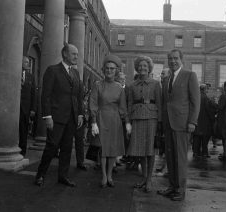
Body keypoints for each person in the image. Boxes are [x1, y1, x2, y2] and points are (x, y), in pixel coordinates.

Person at [34, 43, 83, 187]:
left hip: (72, 118)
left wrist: (80, 114)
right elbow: (46, 95)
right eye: (74, 54)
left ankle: (63, 176)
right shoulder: (53, 70)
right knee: (51, 147)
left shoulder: (75, 73)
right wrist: (47, 116)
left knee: (67, 148)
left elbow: (78, 97)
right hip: (56, 118)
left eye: (77, 54)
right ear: (65, 54)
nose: (76, 57)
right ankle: (40, 175)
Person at [157, 49, 200, 201]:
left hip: (182, 125)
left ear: (182, 59)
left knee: (180, 159)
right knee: (170, 157)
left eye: (175, 58)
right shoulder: (167, 79)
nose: (173, 61)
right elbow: (165, 103)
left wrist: (192, 122)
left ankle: (181, 191)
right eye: (170, 59)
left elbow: (195, 101)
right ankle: (172, 186)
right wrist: (162, 122)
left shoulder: (190, 75)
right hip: (168, 124)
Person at [89, 54, 131, 188]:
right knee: (103, 148)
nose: (109, 71)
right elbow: (93, 103)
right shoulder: (97, 85)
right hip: (101, 118)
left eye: (112, 69)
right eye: (107, 68)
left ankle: (110, 175)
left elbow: (123, 107)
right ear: (103, 69)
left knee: (113, 149)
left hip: (115, 120)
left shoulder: (119, 87)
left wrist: (128, 122)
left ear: (116, 70)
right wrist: (93, 122)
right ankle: (103, 176)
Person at [127, 55, 162, 193]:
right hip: (136, 118)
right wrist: (128, 122)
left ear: (149, 69)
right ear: (137, 68)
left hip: (151, 119)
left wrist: (159, 122)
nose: (142, 68)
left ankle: (149, 180)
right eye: (140, 66)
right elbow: (130, 103)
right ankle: (144, 177)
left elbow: (159, 103)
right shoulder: (131, 85)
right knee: (140, 150)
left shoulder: (155, 84)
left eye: (145, 66)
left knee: (150, 150)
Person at [192, 84, 218, 159]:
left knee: (196, 137)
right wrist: (213, 115)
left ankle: (196, 152)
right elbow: (209, 109)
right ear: (204, 89)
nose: (208, 90)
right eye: (207, 89)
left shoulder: (196, 97)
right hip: (205, 122)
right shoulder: (206, 98)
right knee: (205, 138)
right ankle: (204, 152)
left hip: (196, 120)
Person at [19, 56, 36, 156]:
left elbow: (33, 93)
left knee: (23, 131)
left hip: (26, 108)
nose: (28, 64)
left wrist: (33, 109)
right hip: (14, 107)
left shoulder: (31, 76)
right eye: (25, 62)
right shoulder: (15, 73)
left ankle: (22, 151)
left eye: (28, 62)